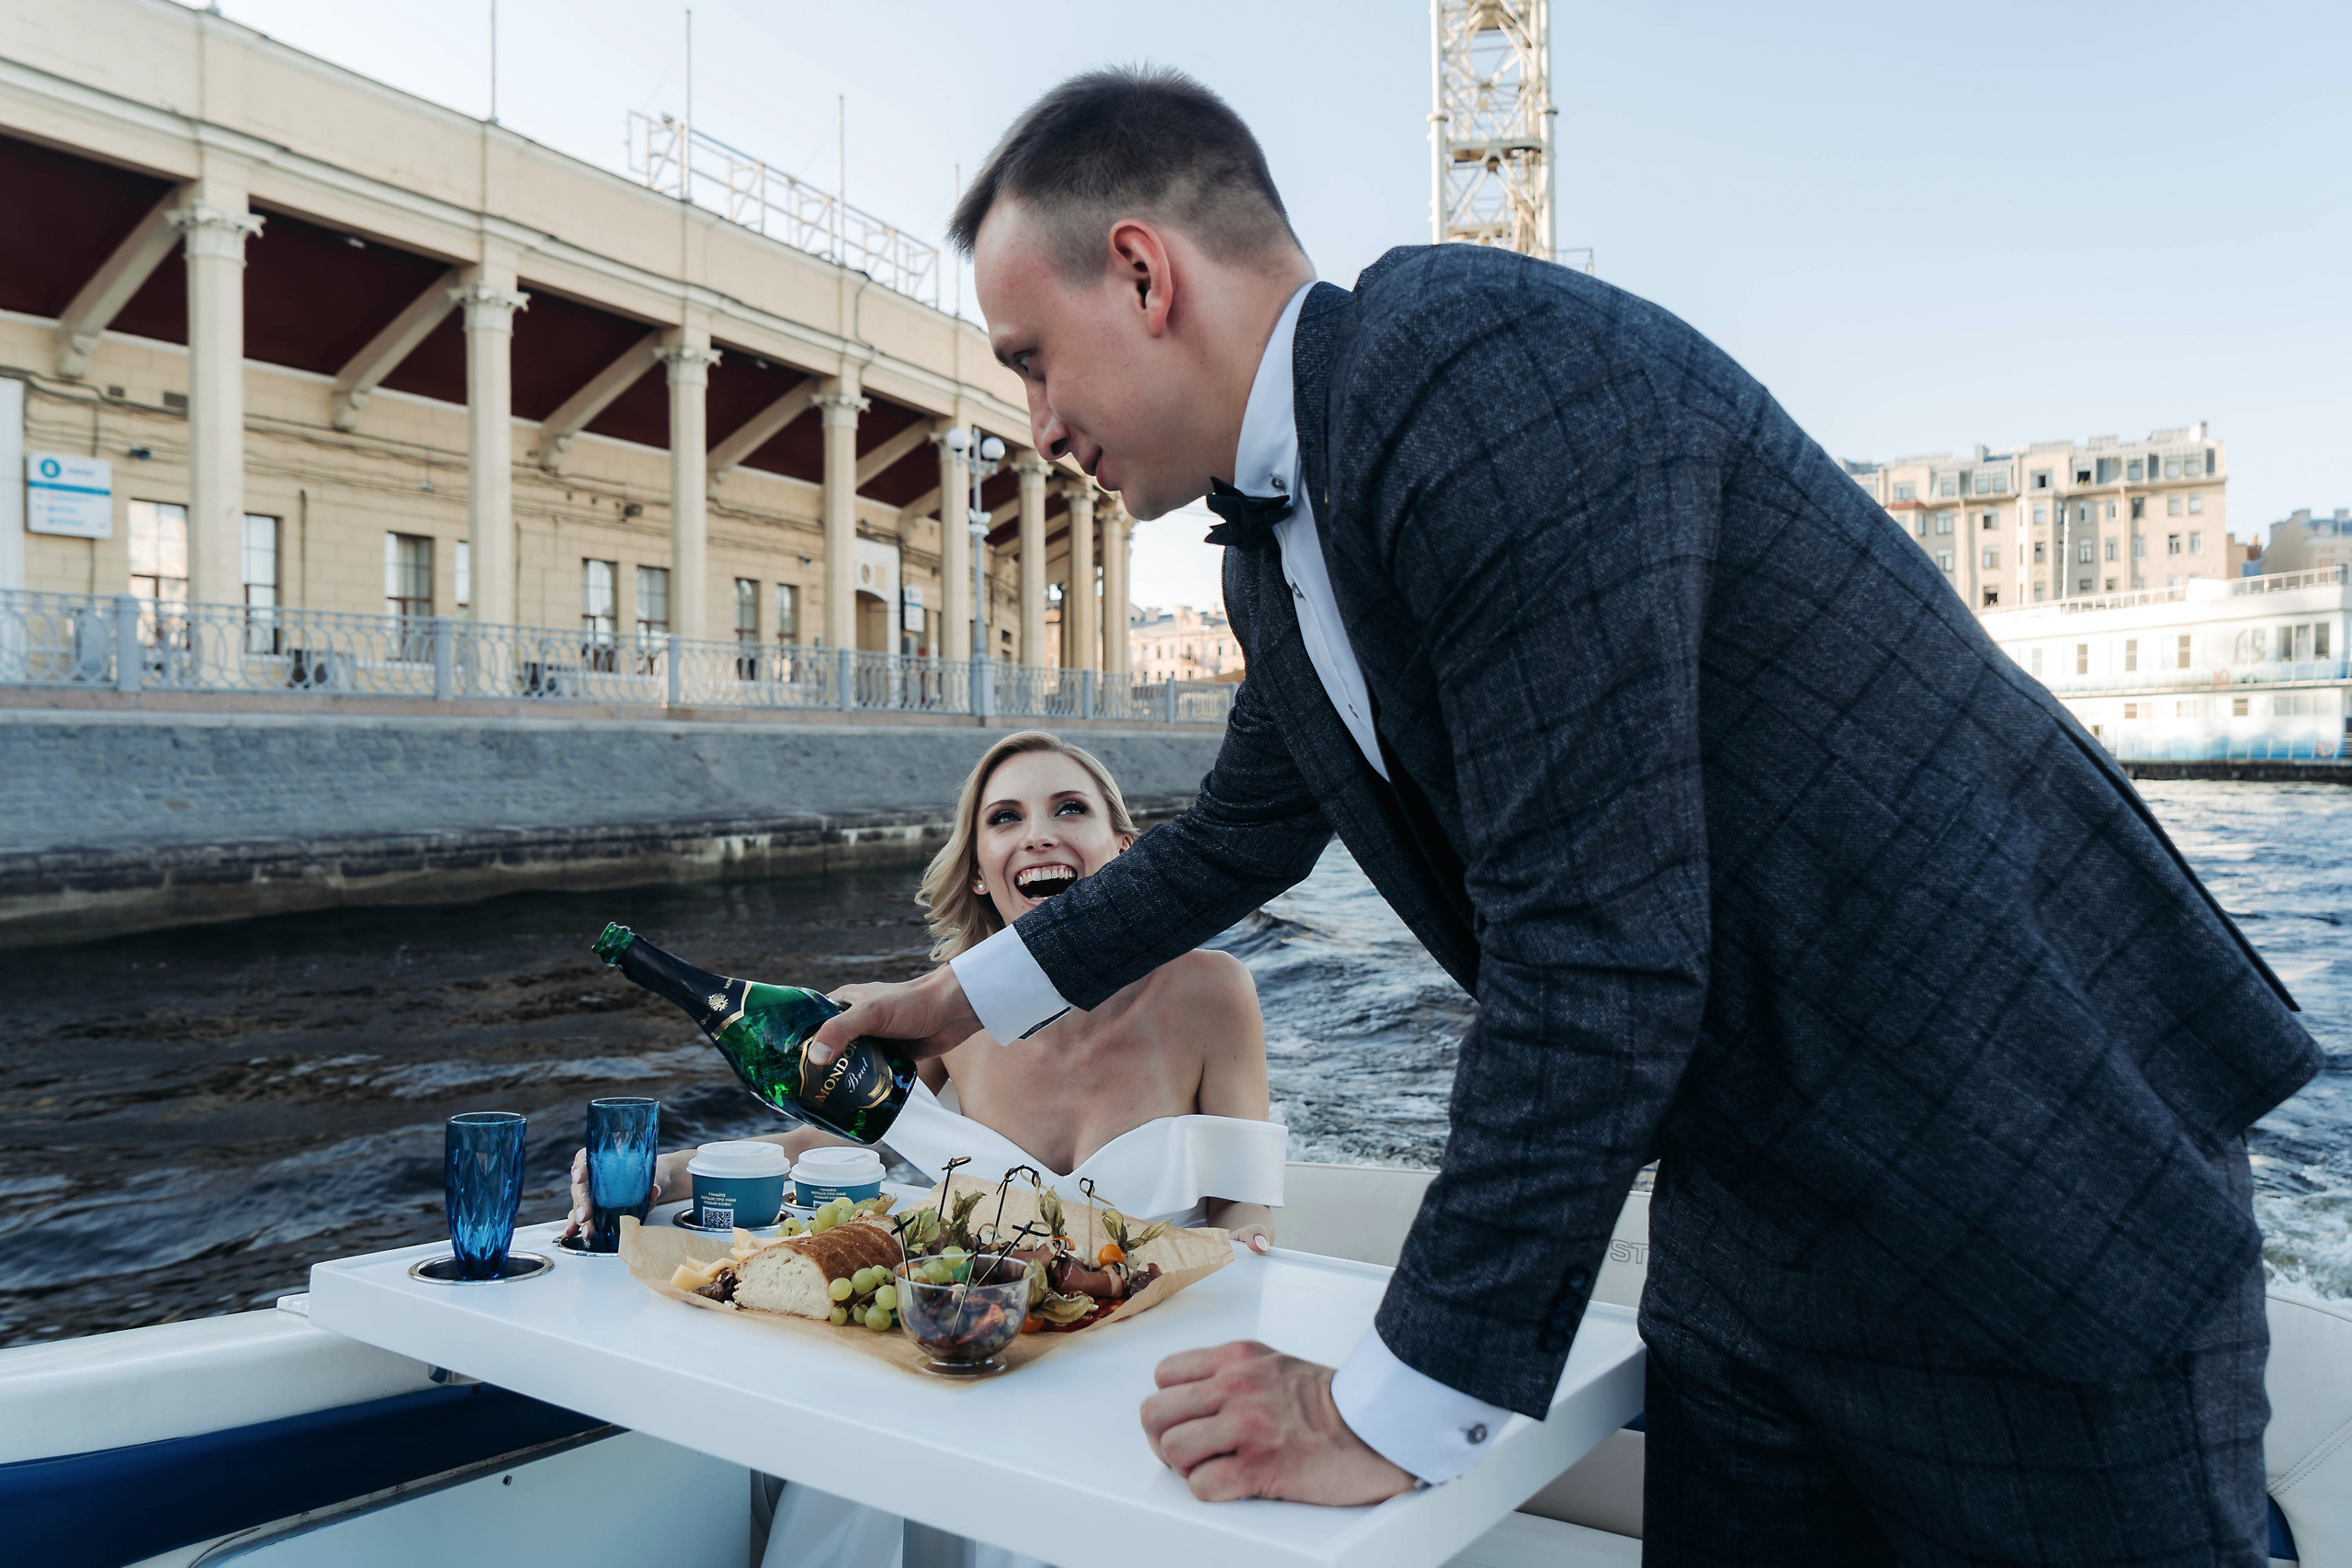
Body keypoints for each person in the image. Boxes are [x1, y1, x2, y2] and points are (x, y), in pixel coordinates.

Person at [806, 66, 2325, 1564]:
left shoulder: (1478, 376)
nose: (1035, 419)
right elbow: (1239, 839)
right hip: (1750, 1220)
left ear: (1141, 272)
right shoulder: (1271, 557)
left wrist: (1389, 1413)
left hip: (2023, 1184)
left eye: (1029, 357)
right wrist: (953, 997)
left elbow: (1596, 950)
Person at [566, 731, 1284, 1568]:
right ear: (981, 868)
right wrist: (673, 1169)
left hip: (1138, 1378)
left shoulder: (1212, 991)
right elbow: (832, 1139)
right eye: (1005, 817)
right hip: (970, 1357)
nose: (1038, 834)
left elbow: (1246, 1210)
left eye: (1070, 809)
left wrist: (1249, 1252)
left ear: (1126, 849)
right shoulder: (951, 1006)